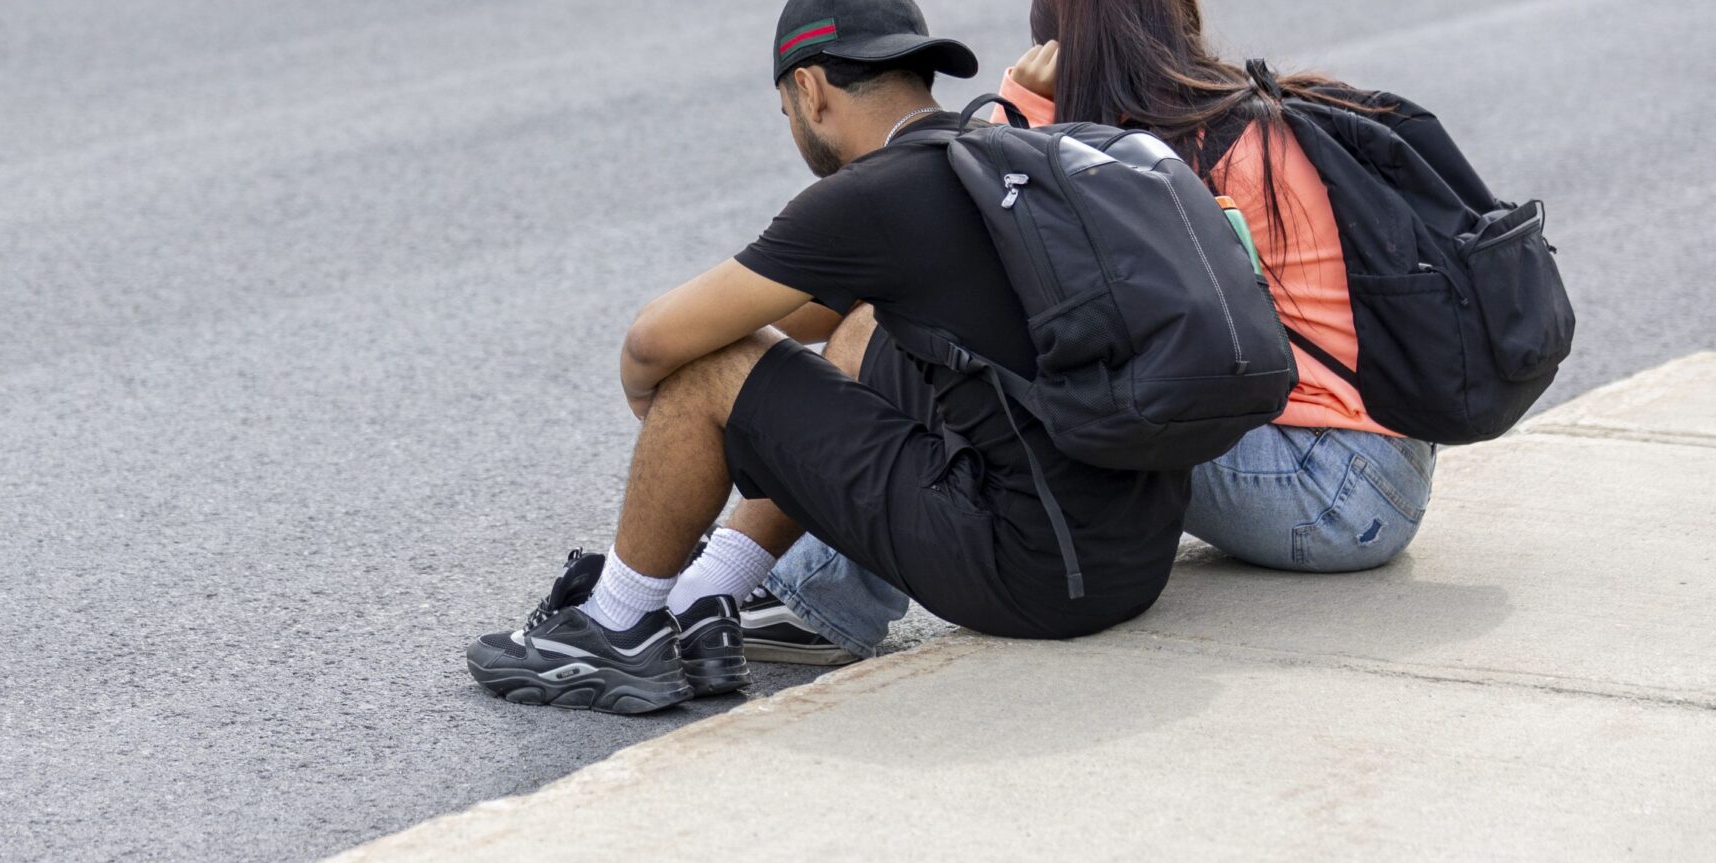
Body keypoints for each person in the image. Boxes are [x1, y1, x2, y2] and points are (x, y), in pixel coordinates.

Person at [466, 0, 1193, 713]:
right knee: (863, 322)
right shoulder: (989, 153)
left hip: (1036, 576)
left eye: (786, 111)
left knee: (710, 367)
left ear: (809, 91)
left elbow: (652, 340)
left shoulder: (870, 197)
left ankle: (617, 627)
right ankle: (703, 595)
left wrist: (662, 397)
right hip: (1128, 557)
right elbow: (820, 314)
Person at [747, 0, 1442, 664]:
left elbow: (970, 263)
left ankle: (818, 599)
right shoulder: (1237, 113)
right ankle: (790, 579)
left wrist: (1021, 104)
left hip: (1324, 489)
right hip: (1382, 468)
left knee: (969, 361)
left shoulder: (1148, 155)